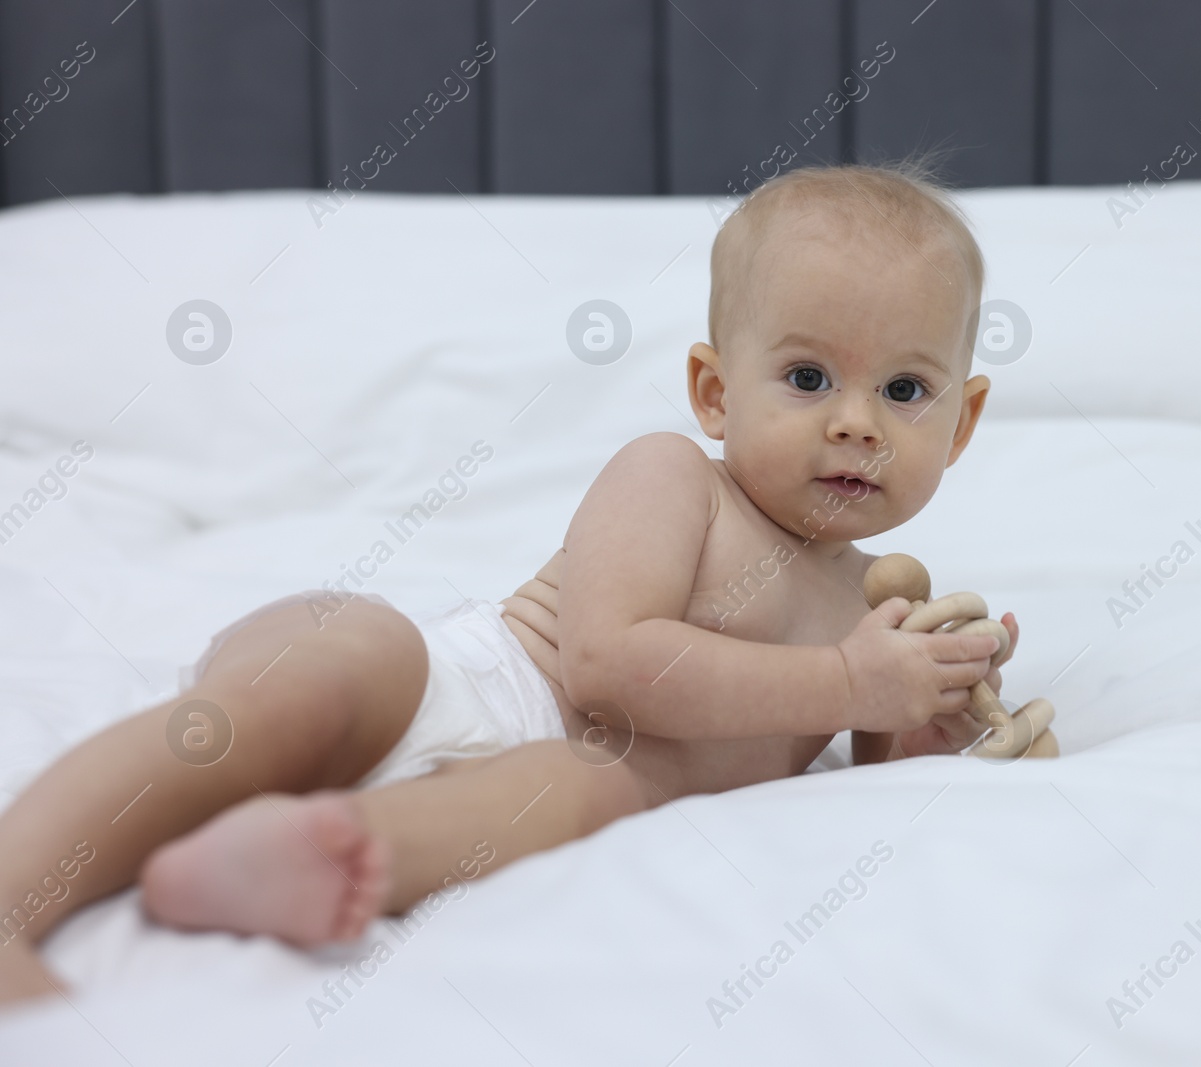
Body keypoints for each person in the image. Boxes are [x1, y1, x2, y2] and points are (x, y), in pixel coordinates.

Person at [0, 160, 1024, 1006]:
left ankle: (304, 854)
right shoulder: (672, 478)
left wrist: (931, 710)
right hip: (447, 681)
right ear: (714, 391)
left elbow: (879, 769)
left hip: (537, 782)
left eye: (904, 389)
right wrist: (851, 683)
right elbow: (606, 664)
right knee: (341, 659)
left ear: (961, 422)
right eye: (807, 378)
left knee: (584, 786)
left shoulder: (868, 609)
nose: (856, 422)